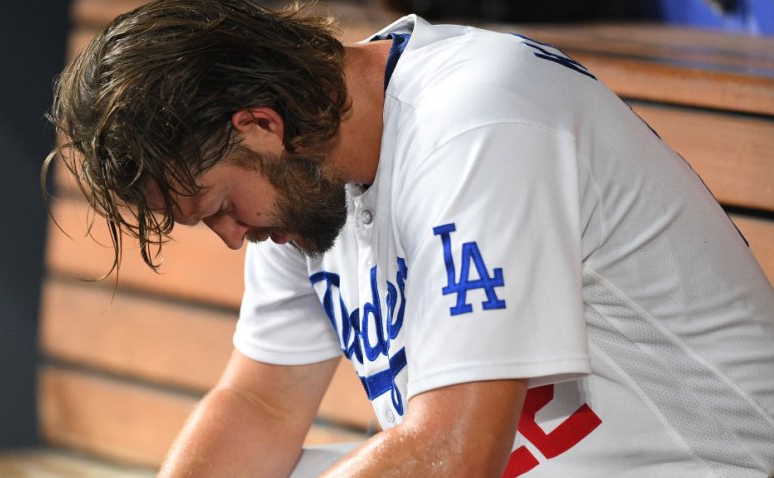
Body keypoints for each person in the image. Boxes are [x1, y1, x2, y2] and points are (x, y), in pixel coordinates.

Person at [43, 0, 774, 476]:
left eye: (219, 206)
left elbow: (455, 454)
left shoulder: (477, 121)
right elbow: (259, 405)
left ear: (259, 124)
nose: (234, 238)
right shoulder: (303, 185)